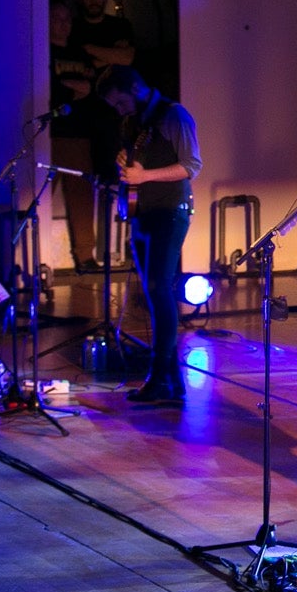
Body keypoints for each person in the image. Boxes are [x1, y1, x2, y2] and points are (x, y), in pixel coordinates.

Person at [97, 66, 202, 404]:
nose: (119, 110)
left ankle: (160, 378)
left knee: (159, 289)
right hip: (142, 214)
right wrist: (125, 168)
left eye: (121, 101)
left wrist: (145, 176)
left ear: (136, 87)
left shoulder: (174, 116)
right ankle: (170, 382)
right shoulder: (132, 123)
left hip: (170, 212)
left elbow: (191, 166)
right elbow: (135, 171)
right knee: (154, 293)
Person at [49, 0, 119, 274]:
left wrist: (75, 86)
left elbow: (91, 88)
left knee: (81, 195)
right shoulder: (43, 51)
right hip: (50, 133)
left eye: (67, 19)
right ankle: (24, 258)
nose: (63, 24)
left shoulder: (80, 52)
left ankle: (85, 256)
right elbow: (52, 87)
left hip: (79, 134)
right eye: (57, 19)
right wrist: (71, 87)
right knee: (35, 196)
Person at [70, 0, 136, 70]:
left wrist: (89, 48)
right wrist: (114, 56)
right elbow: (79, 66)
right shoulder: (71, 27)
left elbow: (126, 58)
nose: (94, 0)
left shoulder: (120, 25)